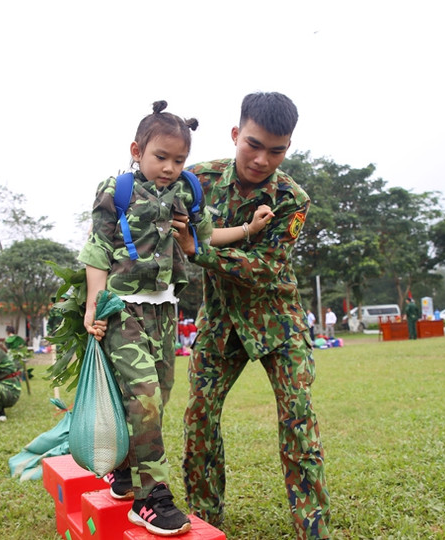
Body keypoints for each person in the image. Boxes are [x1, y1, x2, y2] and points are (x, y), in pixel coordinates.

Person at [80, 100, 272, 537]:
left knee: (158, 395)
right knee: (144, 393)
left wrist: (251, 230)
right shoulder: (117, 189)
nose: (169, 167)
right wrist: (94, 304)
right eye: (160, 157)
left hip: (165, 310)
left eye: (178, 160)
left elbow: (205, 239)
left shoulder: (188, 191)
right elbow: (96, 250)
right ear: (137, 150)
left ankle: (127, 470)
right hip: (122, 309)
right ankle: (151, 498)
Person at [175, 92, 331, 538]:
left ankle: (313, 529)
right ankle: (204, 521)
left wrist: (199, 251)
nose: (262, 159)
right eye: (253, 144)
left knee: (298, 419)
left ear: (288, 148)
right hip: (220, 324)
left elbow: (264, 270)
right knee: (199, 417)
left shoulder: (291, 198)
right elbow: (147, 198)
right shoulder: (195, 180)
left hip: (278, 324)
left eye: (276, 150)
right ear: (235, 134)